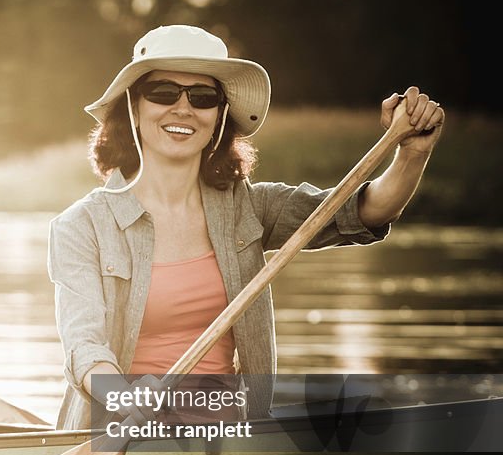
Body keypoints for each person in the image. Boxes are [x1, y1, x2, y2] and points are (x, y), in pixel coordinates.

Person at [48, 25, 444, 430]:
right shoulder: (82, 227)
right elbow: (85, 347)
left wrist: (411, 153)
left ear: (219, 115)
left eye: (202, 98)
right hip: (117, 437)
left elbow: (365, 212)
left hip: (231, 437)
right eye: (163, 92)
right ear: (134, 107)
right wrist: (126, 397)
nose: (182, 109)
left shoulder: (250, 207)